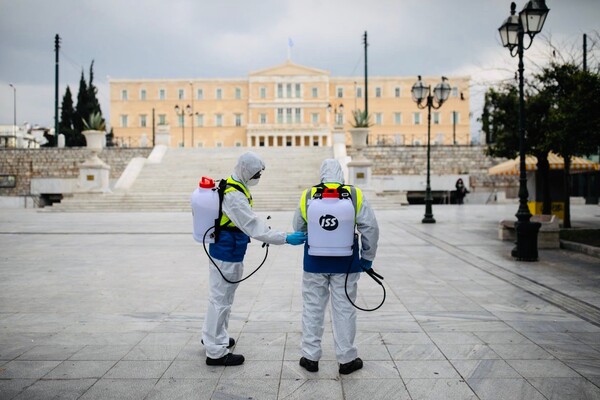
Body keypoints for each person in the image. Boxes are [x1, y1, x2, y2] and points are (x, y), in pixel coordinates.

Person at [202, 151, 306, 366]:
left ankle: (215, 337)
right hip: (226, 252)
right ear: (247, 171)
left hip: (229, 249)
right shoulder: (234, 195)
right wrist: (285, 237)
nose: (258, 177)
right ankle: (215, 352)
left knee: (221, 298)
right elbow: (253, 226)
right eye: (256, 173)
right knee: (221, 299)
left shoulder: (235, 185)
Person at [292, 159, 379, 375]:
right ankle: (347, 359)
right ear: (341, 174)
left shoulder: (309, 195)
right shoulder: (355, 195)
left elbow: (298, 226)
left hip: (314, 263)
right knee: (344, 309)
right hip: (346, 263)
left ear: (321, 174)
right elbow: (370, 227)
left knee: (313, 308)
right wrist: (367, 257)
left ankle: (310, 357)